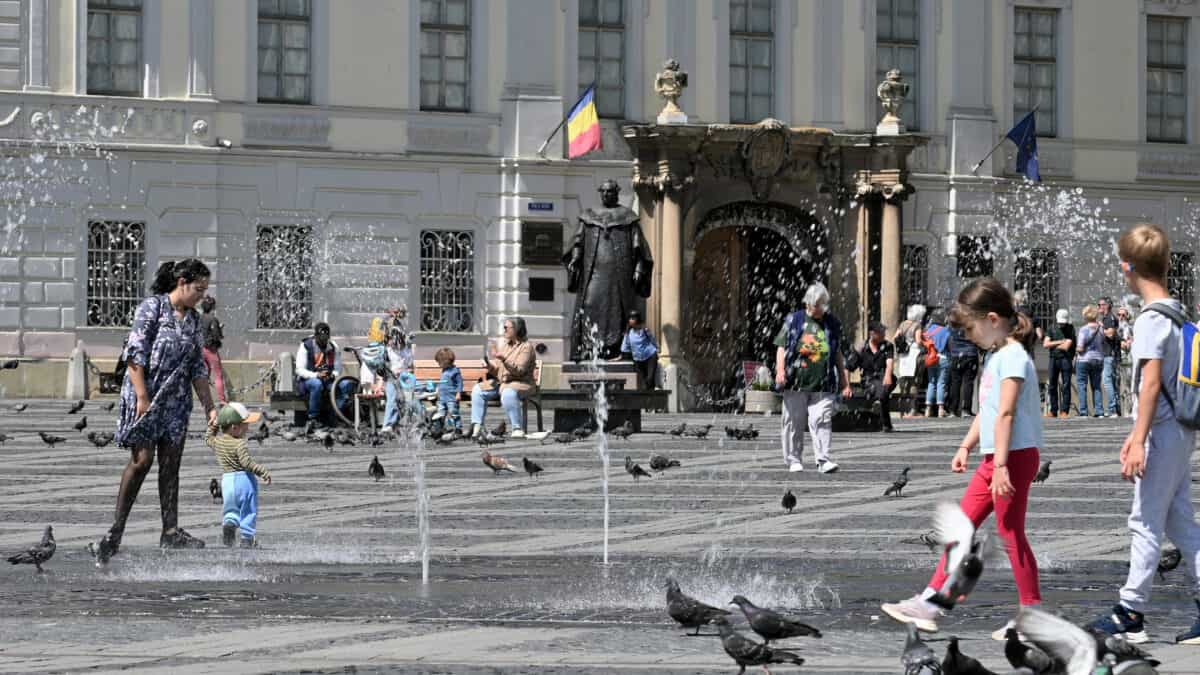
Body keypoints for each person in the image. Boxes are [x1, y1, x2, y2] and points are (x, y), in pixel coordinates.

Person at [881, 277, 1044, 638]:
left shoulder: (1013, 357)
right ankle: (929, 604)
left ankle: (1031, 614)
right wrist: (966, 444)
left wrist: (1000, 465)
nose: (968, 336)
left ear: (991, 319)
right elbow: (988, 411)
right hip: (997, 458)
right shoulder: (1000, 355)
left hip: (1011, 459)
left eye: (971, 328)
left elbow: (1005, 414)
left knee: (1010, 533)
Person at [1087, 223, 1200, 645]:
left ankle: (1130, 610)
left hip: (1162, 432)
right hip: (1178, 430)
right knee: (1181, 523)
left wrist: (1137, 439)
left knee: (1144, 521)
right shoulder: (1179, 311)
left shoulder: (1153, 319)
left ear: (1127, 268)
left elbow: (1150, 384)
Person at [90, 259, 218, 565]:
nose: (202, 295)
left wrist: (210, 407)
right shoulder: (153, 308)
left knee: (171, 464)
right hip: (145, 397)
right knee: (142, 460)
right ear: (182, 282)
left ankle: (170, 531)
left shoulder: (194, 321)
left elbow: (198, 368)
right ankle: (115, 533)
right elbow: (135, 353)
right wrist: (142, 397)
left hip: (176, 404)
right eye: (198, 289)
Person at [773, 282, 852, 474]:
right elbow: (781, 347)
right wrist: (780, 371)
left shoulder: (832, 322)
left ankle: (823, 459)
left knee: (822, 420)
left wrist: (845, 381)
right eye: (818, 305)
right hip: (796, 381)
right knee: (793, 421)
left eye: (824, 305)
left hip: (823, 382)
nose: (822, 309)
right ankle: (793, 459)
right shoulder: (794, 320)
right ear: (809, 304)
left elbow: (838, 353)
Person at [207, 402, 272, 549]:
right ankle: (247, 539)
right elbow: (246, 462)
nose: (248, 428)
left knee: (230, 509)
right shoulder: (240, 444)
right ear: (234, 427)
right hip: (244, 481)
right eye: (245, 425)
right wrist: (262, 471)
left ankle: (229, 525)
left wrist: (215, 424)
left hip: (227, 482)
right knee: (248, 510)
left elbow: (208, 438)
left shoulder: (217, 442)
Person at [470, 317, 537, 439]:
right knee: (478, 390)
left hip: (522, 383)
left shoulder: (526, 347)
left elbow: (519, 371)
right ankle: (477, 426)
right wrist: (489, 366)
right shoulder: (506, 345)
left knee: (508, 393)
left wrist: (504, 359)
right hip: (503, 383)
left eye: (506, 327)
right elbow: (498, 370)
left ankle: (517, 428)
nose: (504, 330)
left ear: (516, 329)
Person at [359, 315, 416, 433]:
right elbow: (383, 370)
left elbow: (410, 366)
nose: (394, 342)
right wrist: (380, 385)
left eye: (397, 338)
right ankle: (387, 425)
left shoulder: (407, 349)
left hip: (405, 379)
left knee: (409, 400)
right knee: (392, 397)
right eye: (392, 338)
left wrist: (406, 372)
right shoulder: (387, 350)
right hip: (391, 379)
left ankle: (409, 424)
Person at [295, 322, 355, 432]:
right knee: (316, 384)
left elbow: (338, 367)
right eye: (321, 338)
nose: (323, 341)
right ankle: (313, 418)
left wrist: (333, 375)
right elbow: (299, 370)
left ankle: (338, 415)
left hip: (328, 380)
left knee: (346, 385)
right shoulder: (306, 346)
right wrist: (316, 375)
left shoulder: (333, 346)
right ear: (316, 336)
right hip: (308, 381)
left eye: (325, 338)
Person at [858, 321, 895, 432]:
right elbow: (848, 367)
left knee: (884, 386)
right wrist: (846, 386)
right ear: (872, 334)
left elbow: (890, 363)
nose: (884, 334)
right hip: (869, 379)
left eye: (884, 332)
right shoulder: (862, 348)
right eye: (881, 332)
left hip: (885, 377)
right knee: (882, 392)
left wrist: (888, 375)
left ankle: (879, 406)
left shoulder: (888, 346)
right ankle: (886, 423)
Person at [893, 304, 927, 418]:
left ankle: (902, 411)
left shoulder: (902, 324)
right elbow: (918, 341)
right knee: (914, 382)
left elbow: (895, 337)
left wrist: (904, 343)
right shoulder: (917, 325)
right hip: (914, 354)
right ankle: (912, 410)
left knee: (903, 383)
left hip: (903, 355)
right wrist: (925, 343)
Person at [1043, 308, 1076, 419]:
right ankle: (1053, 410)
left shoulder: (1070, 328)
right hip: (1053, 359)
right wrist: (1060, 341)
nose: (1062, 325)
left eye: (1063, 322)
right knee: (1052, 385)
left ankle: (1064, 411)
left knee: (1066, 385)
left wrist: (1054, 344)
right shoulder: (1051, 328)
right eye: (1060, 322)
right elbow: (1045, 344)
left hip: (1066, 359)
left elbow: (1066, 346)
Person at [1075, 305, 1105, 417]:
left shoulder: (1083, 330)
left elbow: (1080, 347)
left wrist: (1076, 349)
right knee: (1096, 385)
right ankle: (1099, 411)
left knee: (1082, 385)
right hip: (1098, 359)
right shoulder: (1101, 329)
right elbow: (1103, 342)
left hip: (1084, 359)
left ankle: (1083, 411)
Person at [922, 309, 952, 418]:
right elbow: (950, 346)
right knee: (941, 383)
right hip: (943, 358)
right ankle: (941, 409)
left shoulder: (928, 331)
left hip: (931, 358)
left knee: (931, 382)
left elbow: (924, 345)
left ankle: (928, 409)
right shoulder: (946, 331)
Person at [945, 325, 980, 417]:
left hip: (956, 354)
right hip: (970, 353)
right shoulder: (971, 324)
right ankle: (966, 409)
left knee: (955, 383)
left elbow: (949, 338)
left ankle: (953, 409)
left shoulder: (953, 325)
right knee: (968, 382)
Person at [621, 310, 659, 391]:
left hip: (650, 356)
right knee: (643, 382)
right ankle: (649, 398)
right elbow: (625, 346)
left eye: (633, 318)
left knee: (650, 378)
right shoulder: (628, 333)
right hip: (638, 360)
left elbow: (652, 339)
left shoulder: (644, 330)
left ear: (637, 319)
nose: (630, 320)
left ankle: (653, 397)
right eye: (630, 318)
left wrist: (658, 348)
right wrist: (620, 356)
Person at [199, 295, 227, 404]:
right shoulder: (213, 319)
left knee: (204, 375)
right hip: (211, 350)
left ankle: (205, 399)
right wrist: (220, 329)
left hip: (200, 349)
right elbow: (217, 336)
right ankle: (222, 400)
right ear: (212, 307)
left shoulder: (198, 318)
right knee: (218, 375)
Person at [1099, 296, 1122, 417]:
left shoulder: (1109, 318)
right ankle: (1116, 409)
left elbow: (1111, 334)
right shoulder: (1107, 318)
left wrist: (1101, 326)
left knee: (1107, 381)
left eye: (1100, 305)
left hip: (1109, 354)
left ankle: (1112, 409)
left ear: (1106, 306)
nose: (1099, 307)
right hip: (1109, 354)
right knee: (1112, 381)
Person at [433, 347, 463, 432]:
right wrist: (438, 389)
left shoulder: (455, 371)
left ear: (445, 361)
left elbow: (460, 383)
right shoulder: (444, 370)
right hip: (442, 397)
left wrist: (458, 393)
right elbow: (443, 382)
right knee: (441, 412)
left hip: (452, 398)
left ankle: (458, 428)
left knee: (454, 413)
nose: (438, 364)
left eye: (439, 362)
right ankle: (442, 428)